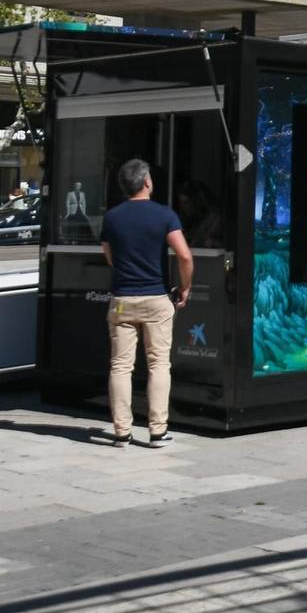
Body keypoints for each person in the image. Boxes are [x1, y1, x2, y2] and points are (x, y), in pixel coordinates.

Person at [100, 159, 194, 447]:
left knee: (120, 366)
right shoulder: (164, 215)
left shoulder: (112, 218)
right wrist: (185, 287)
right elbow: (185, 256)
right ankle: (157, 430)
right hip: (155, 298)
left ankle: (121, 432)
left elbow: (108, 254)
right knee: (158, 365)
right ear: (147, 183)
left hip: (122, 299)